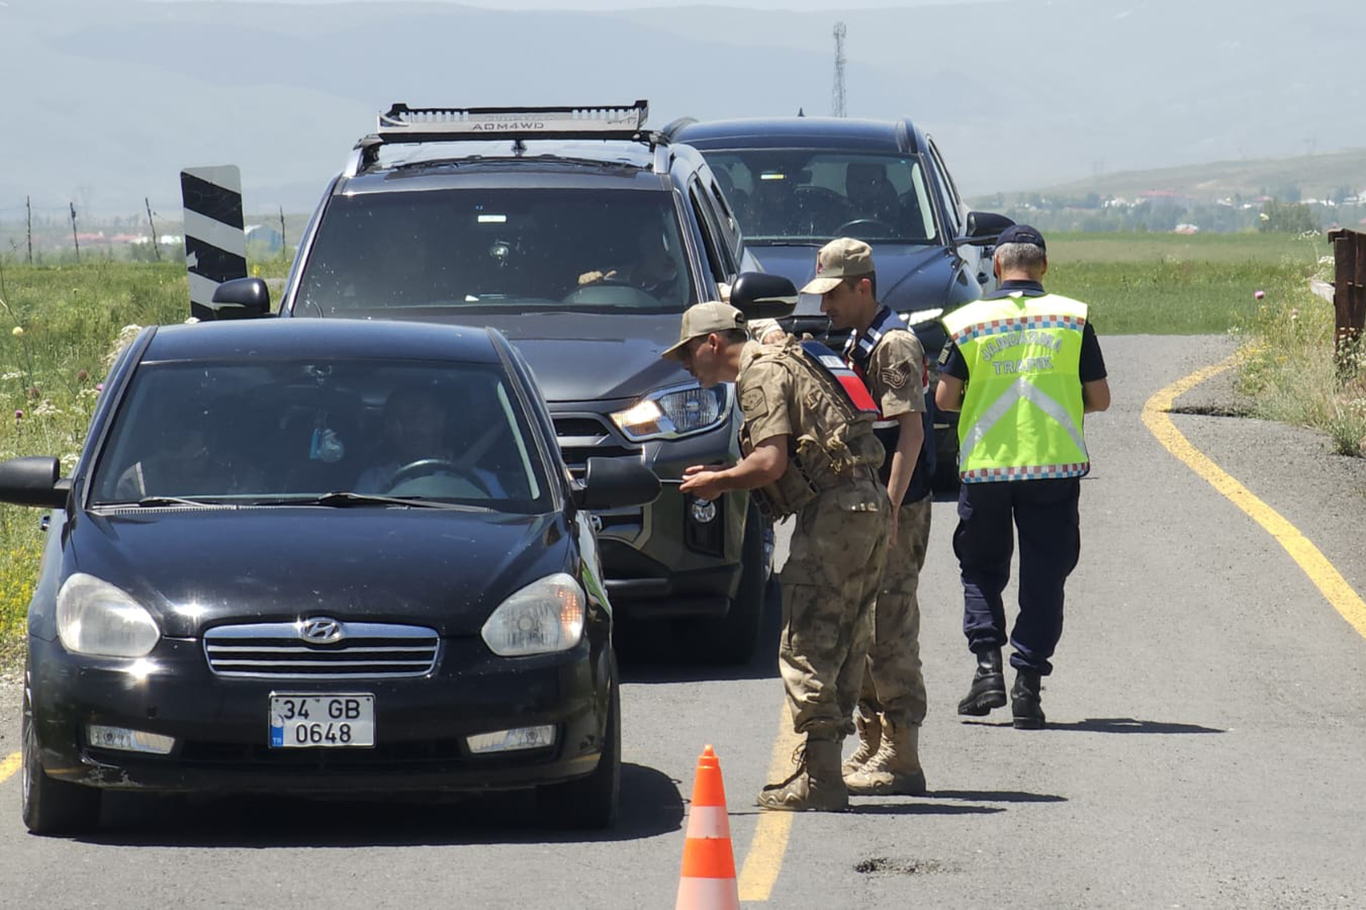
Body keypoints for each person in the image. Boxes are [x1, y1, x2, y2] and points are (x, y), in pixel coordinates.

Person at [664, 301, 890, 812]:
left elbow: (769, 462)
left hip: (834, 515)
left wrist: (717, 482)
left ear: (713, 343)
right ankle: (822, 768)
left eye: (687, 354)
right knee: (848, 638)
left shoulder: (758, 375)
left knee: (807, 642)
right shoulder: (784, 358)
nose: (686, 366)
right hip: (866, 504)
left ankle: (821, 779)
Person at [934, 224, 1111, 729]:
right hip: (1053, 466)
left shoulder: (968, 322)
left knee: (981, 569)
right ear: (1044, 266)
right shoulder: (1072, 319)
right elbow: (1099, 398)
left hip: (986, 467)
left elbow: (945, 399)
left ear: (995, 266)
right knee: (1045, 574)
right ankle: (1028, 686)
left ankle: (987, 668)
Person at [803, 237, 934, 796]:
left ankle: (902, 753)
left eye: (834, 294)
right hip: (866, 505)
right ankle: (874, 738)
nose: (825, 306)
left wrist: (892, 507)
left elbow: (911, 432)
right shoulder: (860, 337)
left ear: (863, 287)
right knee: (862, 620)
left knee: (889, 623)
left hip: (891, 504)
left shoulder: (895, 344)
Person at [356, 381, 504, 497]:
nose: (409, 425)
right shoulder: (373, 483)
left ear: (440, 418)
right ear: (388, 429)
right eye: (398, 418)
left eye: (417, 414)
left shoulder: (482, 482)